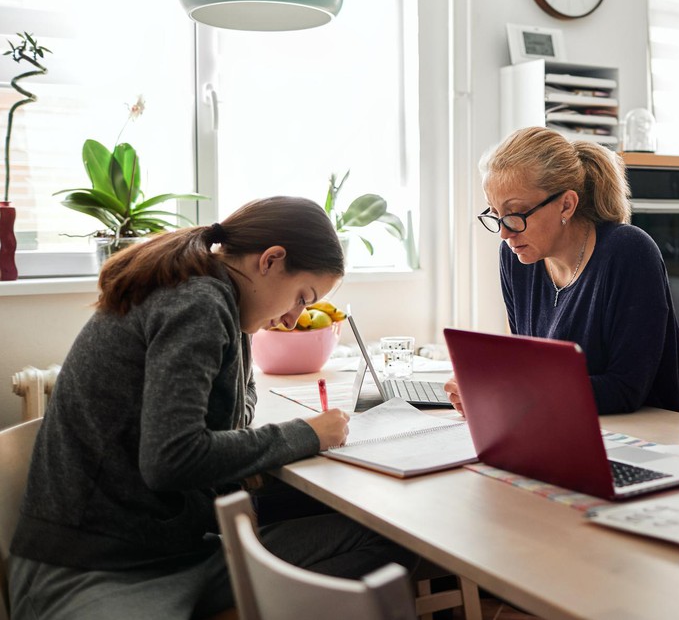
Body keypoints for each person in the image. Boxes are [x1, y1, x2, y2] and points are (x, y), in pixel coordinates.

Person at [8, 197, 416, 620]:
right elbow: (172, 459)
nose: (294, 319)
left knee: (391, 541)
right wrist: (308, 434)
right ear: (272, 261)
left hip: (172, 545)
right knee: (378, 546)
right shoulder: (197, 303)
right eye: (301, 297)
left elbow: (236, 408)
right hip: (97, 567)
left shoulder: (222, 300)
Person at [444, 127, 679, 416]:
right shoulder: (516, 257)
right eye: (495, 214)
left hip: (667, 434)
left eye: (515, 214)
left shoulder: (629, 252)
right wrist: (486, 386)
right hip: (574, 425)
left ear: (566, 204)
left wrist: (513, 392)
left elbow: (626, 389)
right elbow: (531, 368)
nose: (504, 232)